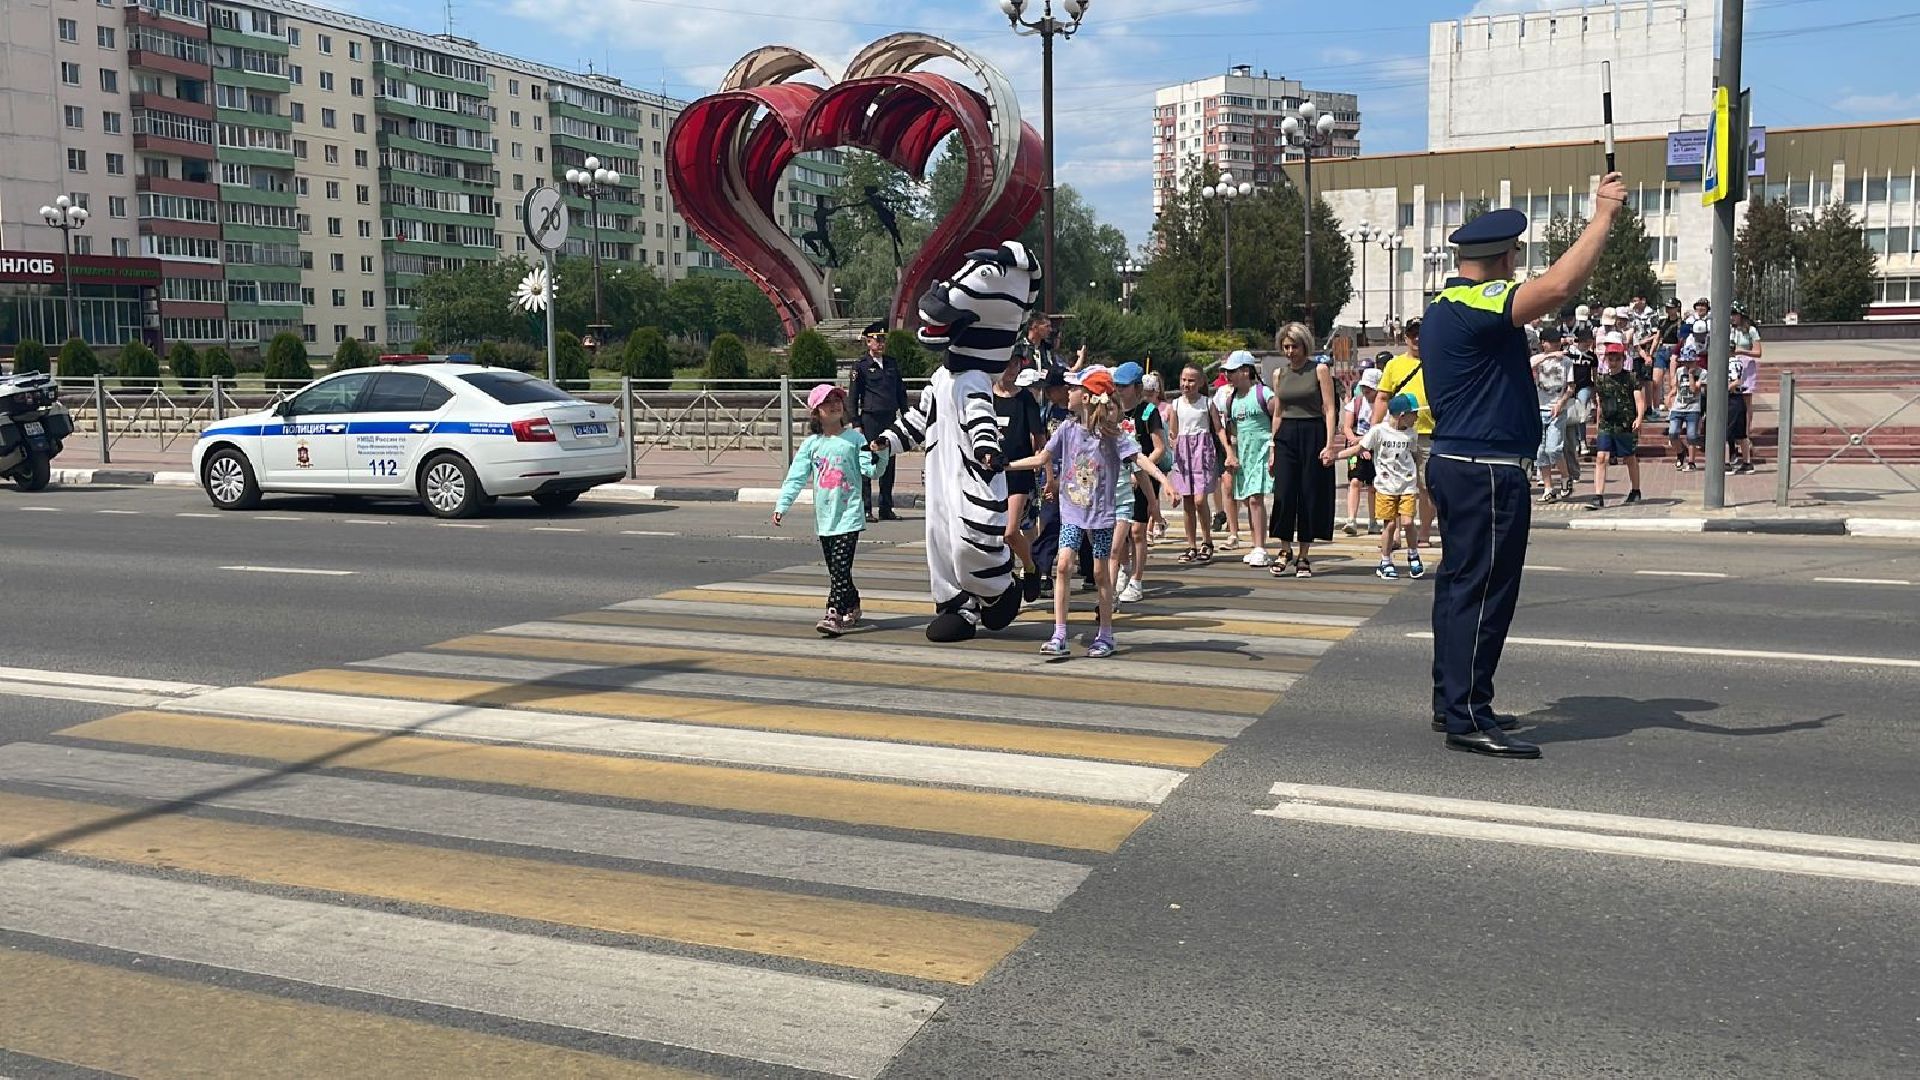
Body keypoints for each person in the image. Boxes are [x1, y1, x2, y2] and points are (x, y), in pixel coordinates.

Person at [1421, 171, 1629, 759]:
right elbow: (1560, 286)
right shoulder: (1474, 301)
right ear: (1502, 256)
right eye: (1515, 255)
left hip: (1463, 463)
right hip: (1485, 469)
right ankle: (1467, 714)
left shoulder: (1445, 306)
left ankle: (1454, 700)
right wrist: (1603, 217)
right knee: (1485, 592)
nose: (1518, 265)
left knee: (1461, 588)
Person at [1007, 366, 1172, 659]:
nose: (1067, 393)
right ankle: (1059, 633)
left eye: (1073, 389)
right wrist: (1005, 465)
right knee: (1062, 565)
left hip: (1102, 513)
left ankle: (1106, 635)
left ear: (1087, 397)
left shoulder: (1111, 434)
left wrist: (1165, 482)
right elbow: (1041, 457)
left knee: (1099, 572)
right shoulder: (1068, 429)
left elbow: (1140, 459)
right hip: (1072, 510)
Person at [772, 384, 888, 637]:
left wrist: (883, 453)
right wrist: (782, 505)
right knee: (838, 569)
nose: (835, 405)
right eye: (828, 402)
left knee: (839, 567)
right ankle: (853, 603)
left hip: (850, 515)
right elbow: (796, 477)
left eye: (838, 400)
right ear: (816, 412)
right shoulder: (812, 444)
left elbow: (872, 471)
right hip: (825, 518)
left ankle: (833, 613)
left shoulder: (855, 439)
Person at [1268, 322, 1338, 580]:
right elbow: (1278, 412)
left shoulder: (1319, 370)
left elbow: (1329, 409)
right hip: (1286, 434)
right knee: (1284, 493)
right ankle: (1284, 548)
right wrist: (1273, 446)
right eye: (1285, 347)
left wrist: (1329, 444)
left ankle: (1304, 554)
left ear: (1304, 345)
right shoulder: (1279, 374)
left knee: (1309, 493)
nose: (1289, 352)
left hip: (1313, 432)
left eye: (1294, 346)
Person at [1372, 318, 1436, 548]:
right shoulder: (1394, 365)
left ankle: (1424, 534)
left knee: (1426, 486)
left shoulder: (1438, 361)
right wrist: (1375, 428)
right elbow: (1382, 397)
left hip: (1429, 433)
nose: (1417, 338)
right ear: (1405, 337)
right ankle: (1394, 533)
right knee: (1395, 484)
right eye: (1412, 334)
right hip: (1397, 435)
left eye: (1421, 333)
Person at [1112, 362, 1166, 603]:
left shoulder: (1147, 412)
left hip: (1142, 476)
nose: (1119, 390)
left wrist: (1137, 470)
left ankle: (1137, 579)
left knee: (1137, 530)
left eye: (1123, 387)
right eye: (1117, 386)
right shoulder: (1112, 409)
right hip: (1118, 478)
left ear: (1136, 387)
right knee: (1119, 530)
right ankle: (1123, 568)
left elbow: (1159, 448)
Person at [995, 351, 1047, 601]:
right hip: (991, 475)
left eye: (1015, 363)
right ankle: (1005, 583)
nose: (1011, 368)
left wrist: (1041, 466)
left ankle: (1030, 567)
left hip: (1018, 474)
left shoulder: (1025, 399)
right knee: (995, 537)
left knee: (1010, 532)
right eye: (1007, 363)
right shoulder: (986, 397)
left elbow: (1039, 440)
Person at [1219, 351, 1276, 568]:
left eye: (1232, 372)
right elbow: (1231, 429)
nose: (1229, 376)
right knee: (1246, 500)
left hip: (1261, 453)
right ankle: (1256, 545)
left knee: (1255, 499)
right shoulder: (1232, 399)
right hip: (1244, 456)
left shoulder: (1264, 394)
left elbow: (1278, 419)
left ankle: (1261, 546)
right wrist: (1231, 454)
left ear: (1246, 371)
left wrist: (1273, 447)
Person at [1362, 393, 1425, 580]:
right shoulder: (1379, 431)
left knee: (1407, 522)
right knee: (1389, 526)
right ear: (1402, 415)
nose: (1417, 418)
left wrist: (1419, 476)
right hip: (1386, 486)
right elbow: (1361, 447)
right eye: (1414, 414)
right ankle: (1385, 561)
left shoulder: (1411, 434)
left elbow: (1414, 455)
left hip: (1407, 484)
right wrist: (1335, 455)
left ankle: (1413, 554)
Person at [848, 321, 906, 522]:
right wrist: (855, 423)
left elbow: (900, 392)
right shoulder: (861, 366)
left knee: (889, 463)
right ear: (868, 342)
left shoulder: (891, 363)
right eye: (877, 340)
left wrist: (905, 417)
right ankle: (866, 508)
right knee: (867, 463)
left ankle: (885, 507)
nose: (881, 344)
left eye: (883, 340)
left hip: (889, 418)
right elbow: (853, 396)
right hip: (870, 419)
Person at [1167, 363, 1223, 565]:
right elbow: (1173, 431)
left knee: (1200, 500)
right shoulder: (1176, 404)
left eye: (1191, 380)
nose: (1186, 384)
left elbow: (1218, 429)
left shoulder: (1207, 404)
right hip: (1183, 453)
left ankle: (1207, 540)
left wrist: (1228, 451)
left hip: (1202, 450)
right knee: (1188, 501)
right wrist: (1173, 444)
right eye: (1183, 379)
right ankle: (1191, 544)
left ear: (1200, 382)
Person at [1588, 334, 1646, 509]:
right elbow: (1600, 403)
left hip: (1625, 423)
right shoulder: (1601, 380)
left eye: (1617, 359)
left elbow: (1639, 400)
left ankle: (1636, 490)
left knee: (1629, 457)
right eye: (1610, 359)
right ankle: (1598, 495)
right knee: (1601, 457)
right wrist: (1598, 421)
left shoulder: (1630, 378)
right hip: (1607, 423)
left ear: (1623, 359)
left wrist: (1639, 418)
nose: (1613, 362)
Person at [1531, 326, 1573, 503]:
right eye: (1552, 342)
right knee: (1540, 451)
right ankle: (1548, 488)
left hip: (1557, 409)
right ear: (1543, 343)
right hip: (1539, 408)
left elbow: (1571, 387)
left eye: (1558, 342)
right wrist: (1549, 356)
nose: (1556, 346)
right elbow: (1530, 364)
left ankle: (1565, 477)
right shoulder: (1538, 359)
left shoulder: (1566, 362)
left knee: (1553, 448)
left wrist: (1560, 403)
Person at [1342, 367, 1383, 534]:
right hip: (1356, 447)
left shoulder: (1383, 404)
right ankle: (1351, 519)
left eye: (1370, 388)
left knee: (1374, 485)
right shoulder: (1357, 402)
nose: (1366, 391)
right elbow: (1346, 427)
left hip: (1375, 446)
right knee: (1355, 481)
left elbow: (1380, 428)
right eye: (1364, 387)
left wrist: (1367, 443)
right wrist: (1357, 444)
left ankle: (1373, 521)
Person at [1728, 303, 1763, 474]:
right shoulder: (1730, 329)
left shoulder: (1750, 330)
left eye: (1734, 314)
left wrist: (1741, 350)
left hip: (1746, 364)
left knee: (1746, 402)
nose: (1732, 317)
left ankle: (1745, 434)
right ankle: (1734, 439)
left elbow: (1758, 352)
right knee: (1733, 402)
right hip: (1731, 364)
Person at [1665, 341, 1705, 470]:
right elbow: (1676, 388)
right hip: (1678, 406)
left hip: (1693, 408)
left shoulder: (1702, 373)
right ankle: (1681, 452)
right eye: (1685, 362)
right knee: (1673, 433)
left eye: (1690, 362)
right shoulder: (1679, 371)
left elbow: (1694, 390)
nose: (1687, 365)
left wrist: (1691, 375)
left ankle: (1691, 462)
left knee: (1692, 435)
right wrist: (1669, 396)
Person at [1011, 313, 1058, 378]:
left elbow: (1053, 368)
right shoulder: (1019, 348)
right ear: (1035, 327)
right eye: (1047, 326)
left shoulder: (1047, 349)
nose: (1050, 330)